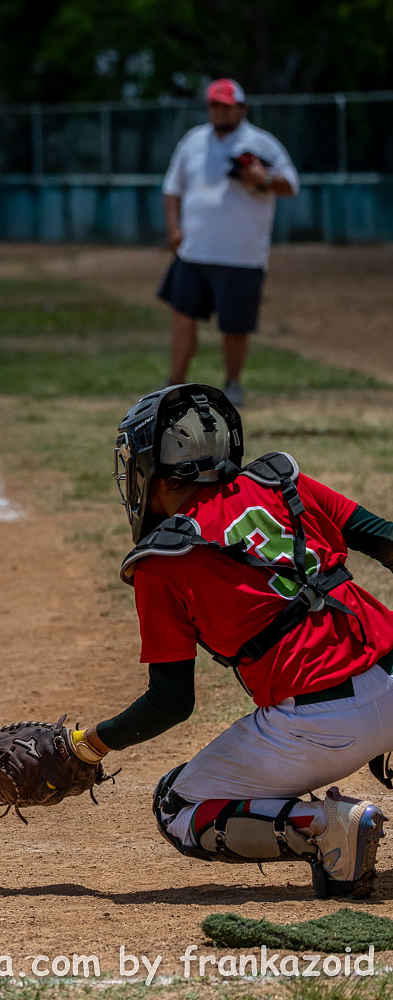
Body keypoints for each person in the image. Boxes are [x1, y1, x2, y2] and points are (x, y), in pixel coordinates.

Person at [66, 383, 393, 898]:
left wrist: (90, 745)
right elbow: (388, 540)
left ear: (154, 473)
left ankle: (326, 827)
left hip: (320, 725)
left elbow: (170, 702)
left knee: (177, 804)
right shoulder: (278, 479)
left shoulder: (160, 562)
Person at [158, 78, 299, 407]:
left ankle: (232, 383)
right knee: (182, 316)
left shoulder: (262, 143)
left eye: (226, 106)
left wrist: (263, 179)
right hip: (194, 251)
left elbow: (291, 185)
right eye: (214, 106)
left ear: (242, 108)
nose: (220, 112)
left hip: (241, 255)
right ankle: (174, 384)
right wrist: (174, 228)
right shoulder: (193, 141)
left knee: (235, 326)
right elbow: (172, 188)